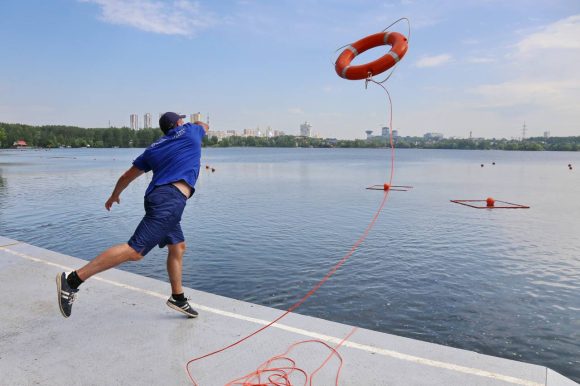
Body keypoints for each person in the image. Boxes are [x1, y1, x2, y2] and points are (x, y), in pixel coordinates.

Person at [56, 112, 209, 319]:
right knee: (135, 251)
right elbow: (204, 125)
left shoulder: (153, 149)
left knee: (178, 247)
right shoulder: (192, 131)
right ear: (179, 123)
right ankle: (73, 280)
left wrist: (114, 195)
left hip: (159, 197)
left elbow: (126, 176)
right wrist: (193, 124)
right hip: (170, 201)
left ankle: (178, 298)